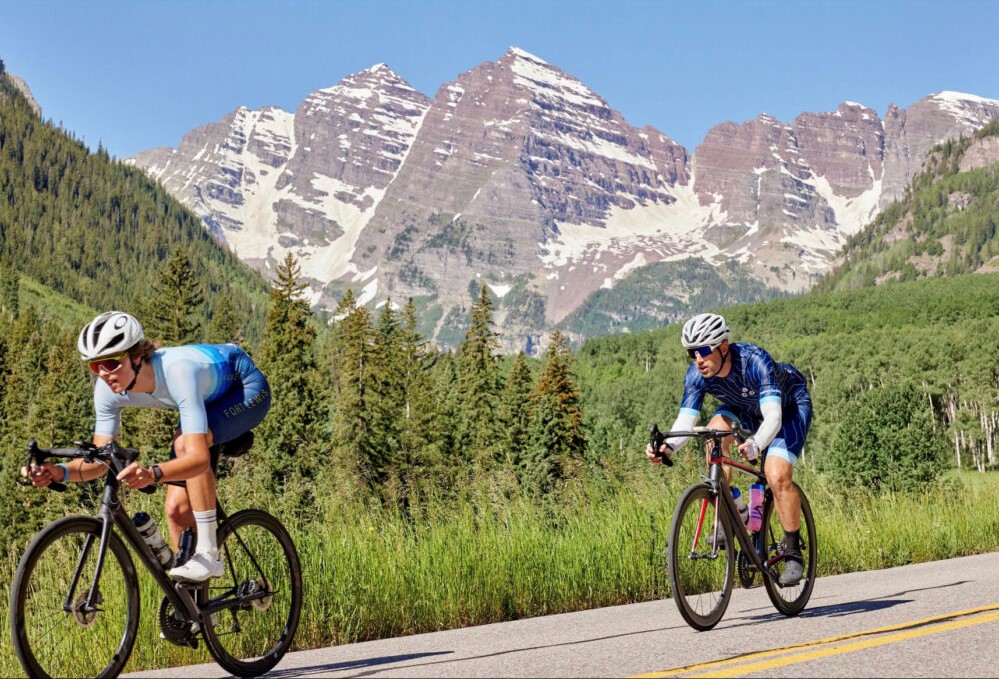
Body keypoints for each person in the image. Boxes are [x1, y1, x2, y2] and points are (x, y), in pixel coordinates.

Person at [21, 311, 271, 583]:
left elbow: (199, 458)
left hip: (245, 389)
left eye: (111, 363)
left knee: (185, 442)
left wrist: (152, 473)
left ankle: (209, 554)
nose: (103, 374)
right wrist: (57, 472)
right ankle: (194, 613)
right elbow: (100, 460)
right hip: (205, 399)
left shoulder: (178, 372)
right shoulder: (107, 390)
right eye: (96, 366)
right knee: (175, 510)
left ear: (136, 356)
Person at [646, 312, 813, 586]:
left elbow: (772, 417)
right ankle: (732, 508)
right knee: (713, 433)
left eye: (703, 350)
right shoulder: (697, 375)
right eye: (691, 353)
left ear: (723, 346)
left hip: (788, 407)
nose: (698, 359)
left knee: (776, 474)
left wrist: (757, 444)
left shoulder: (756, 361)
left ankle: (793, 552)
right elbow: (687, 420)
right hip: (744, 409)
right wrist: (667, 447)